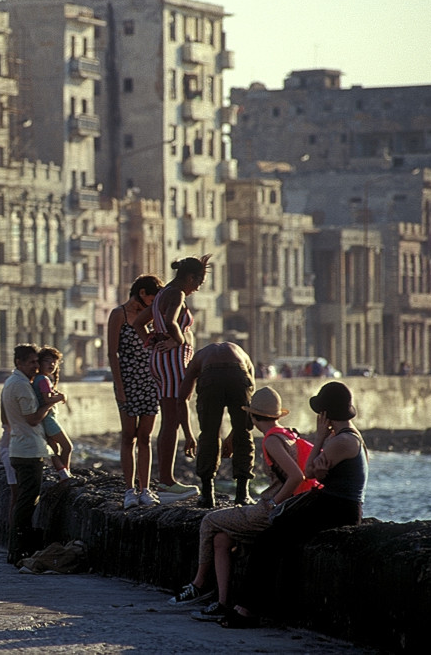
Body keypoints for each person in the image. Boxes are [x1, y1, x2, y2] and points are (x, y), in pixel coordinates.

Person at [220, 381, 369, 628]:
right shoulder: (347, 437)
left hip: (337, 507)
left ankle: (247, 610)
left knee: (267, 542)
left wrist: (320, 437)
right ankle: (271, 607)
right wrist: (321, 462)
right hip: (336, 503)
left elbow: (308, 471)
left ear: (326, 414)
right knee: (283, 540)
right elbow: (319, 473)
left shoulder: (341, 441)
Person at [169, 387, 318, 620]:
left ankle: (198, 585)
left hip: (274, 509)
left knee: (209, 520)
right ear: (277, 416)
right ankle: (222, 603)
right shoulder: (289, 435)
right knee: (221, 539)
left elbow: (296, 476)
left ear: (253, 416)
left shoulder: (271, 441)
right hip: (293, 507)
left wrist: (273, 504)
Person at [133, 255, 211, 502]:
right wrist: (178, 339)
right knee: (172, 418)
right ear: (190, 277)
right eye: (198, 281)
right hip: (172, 360)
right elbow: (169, 321)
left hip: (160, 360)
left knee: (170, 418)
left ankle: (167, 479)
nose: (198, 287)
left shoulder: (162, 294)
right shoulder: (176, 294)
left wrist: (151, 340)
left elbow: (138, 322)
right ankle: (166, 482)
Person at [2, 343, 64, 565]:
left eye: (37, 362)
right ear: (19, 363)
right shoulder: (20, 386)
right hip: (28, 450)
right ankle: (18, 549)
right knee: (27, 502)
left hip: (20, 448)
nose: (36, 366)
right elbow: (33, 419)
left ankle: (16, 548)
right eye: (31, 362)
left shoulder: (12, 382)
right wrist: (50, 404)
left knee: (23, 500)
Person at [107, 274, 163, 508]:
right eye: (153, 296)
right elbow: (112, 353)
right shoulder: (119, 314)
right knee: (128, 436)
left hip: (150, 381)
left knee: (145, 437)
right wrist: (119, 387)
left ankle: (145, 489)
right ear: (142, 293)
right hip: (128, 380)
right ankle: (129, 489)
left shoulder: (152, 317)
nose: (155, 302)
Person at [178, 342, 256, 508]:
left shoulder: (198, 359)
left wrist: (188, 435)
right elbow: (249, 412)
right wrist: (233, 436)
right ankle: (243, 494)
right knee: (244, 433)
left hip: (210, 378)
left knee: (209, 434)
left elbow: (182, 399)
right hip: (239, 373)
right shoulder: (242, 354)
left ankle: (207, 495)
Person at [33, 346, 73, 481]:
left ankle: (63, 474)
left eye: (54, 362)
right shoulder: (43, 379)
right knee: (67, 447)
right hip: (48, 420)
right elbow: (47, 399)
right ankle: (65, 474)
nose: (51, 364)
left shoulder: (38, 379)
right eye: (47, 361)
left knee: (54, 449)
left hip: (43, 419)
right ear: (40, 363)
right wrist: (62, 397)